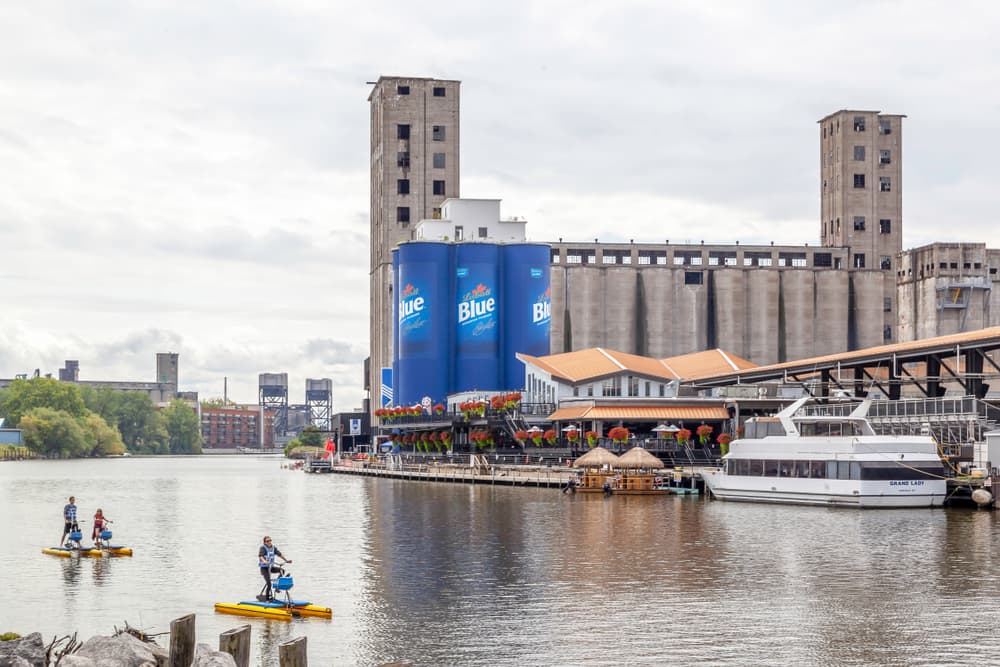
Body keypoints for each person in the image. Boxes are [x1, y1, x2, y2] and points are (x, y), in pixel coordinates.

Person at [258, 536, 291, 601]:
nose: (269, 542)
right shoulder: (262, 548)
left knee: (282, 571)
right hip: (264, 569)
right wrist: (264, 561)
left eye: (270, 540)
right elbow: (260, 556)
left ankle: (277, 585)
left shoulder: (273, 548)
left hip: (271, 567)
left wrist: (286, 560)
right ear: (265, 542)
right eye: (267, 541)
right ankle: (267, 600)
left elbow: (280, 554)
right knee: (269, 584)